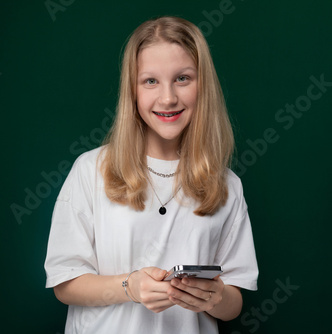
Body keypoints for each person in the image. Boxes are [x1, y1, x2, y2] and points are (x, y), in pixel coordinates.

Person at [44, 16, 258, 334]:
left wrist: (213, 297)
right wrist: (130, 287)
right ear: (132, 90)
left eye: (183, 78)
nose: (168, 97)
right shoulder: (91, 170)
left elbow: (234, 302)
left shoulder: (227, 185)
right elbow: (65, 283)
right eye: (150, 81)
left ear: (203, 85)